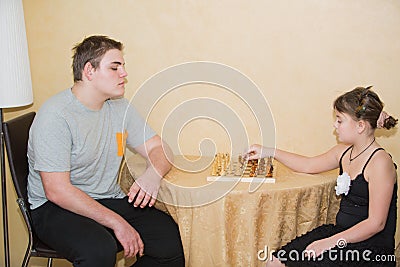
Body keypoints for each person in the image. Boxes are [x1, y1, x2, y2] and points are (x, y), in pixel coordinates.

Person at [27, 35, 184, 267]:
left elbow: (159, 147)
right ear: (89, 71)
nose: (124, 74)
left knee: (170, 241)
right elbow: (57, 191)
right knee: (99, 251)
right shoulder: (55, 116)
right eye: (115, 67)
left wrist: (153, 175)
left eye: (123, 66)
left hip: (105, 197)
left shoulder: (119, 107)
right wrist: (117, 222)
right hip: (55, 207)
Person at [244, 86, 398, 266]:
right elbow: (308, 165)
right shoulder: (344, 152)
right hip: (341, 233)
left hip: (369, 246)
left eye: (339, 120)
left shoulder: (380, 162)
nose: (335, 126)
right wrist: (268, 151)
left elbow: (376, 224)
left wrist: (330, 242)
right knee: (275, 262)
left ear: (360, 126)